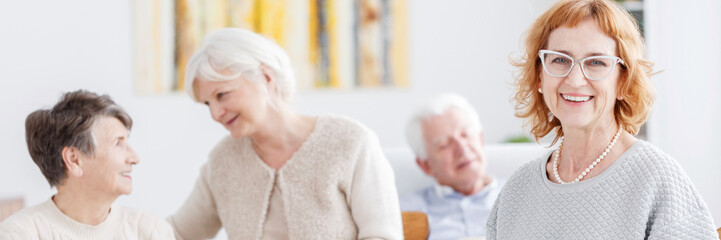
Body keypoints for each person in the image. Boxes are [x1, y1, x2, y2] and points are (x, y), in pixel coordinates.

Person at [486, 0, 719, 239]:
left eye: (596, 62)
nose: (575, 80)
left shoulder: (657, 179)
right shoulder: (517, 191)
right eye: (560, 60)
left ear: (623, 81)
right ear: (539, 77)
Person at [168, 28, 403, 239]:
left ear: (266, 77)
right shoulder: (222, 161)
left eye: (222, 95)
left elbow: (383, 235)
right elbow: (178, 233)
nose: (215, 114)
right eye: (207, 104)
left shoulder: (351, 142)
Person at [0, 90, 174, 239]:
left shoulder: (152, 233)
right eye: (118, 144)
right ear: (74, 160)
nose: (135, 158)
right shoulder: (20, 234)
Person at [401, 93, 502, 239]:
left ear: (480, 139)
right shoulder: (408, 210)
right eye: (444, 145)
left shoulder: (524, 194)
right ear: (425, 165)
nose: (462, 149)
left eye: (466, 134)